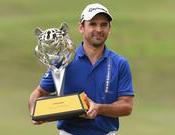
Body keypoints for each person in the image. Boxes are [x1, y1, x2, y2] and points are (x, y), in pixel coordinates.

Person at [28, 3, 134, 135]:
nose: (99, 29)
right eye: (93, 24)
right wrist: (35, 111)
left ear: (109, 28)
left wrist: (99, 109)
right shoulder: (63, 60)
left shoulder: (120, 63)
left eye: (103, 24)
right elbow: (38, 93)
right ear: (81, 27)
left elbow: (127, 106)